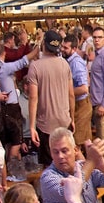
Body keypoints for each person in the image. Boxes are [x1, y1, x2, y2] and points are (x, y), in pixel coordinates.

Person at [25, 30, 74, 164]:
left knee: (49, 166)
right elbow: (71, 95)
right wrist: (72, 118)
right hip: (64, 121)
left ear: (44, 45)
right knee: (67, 162)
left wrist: (31, 126)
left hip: (45, 124)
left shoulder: (35, 67)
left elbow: (33, 98)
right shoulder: (65, 64)